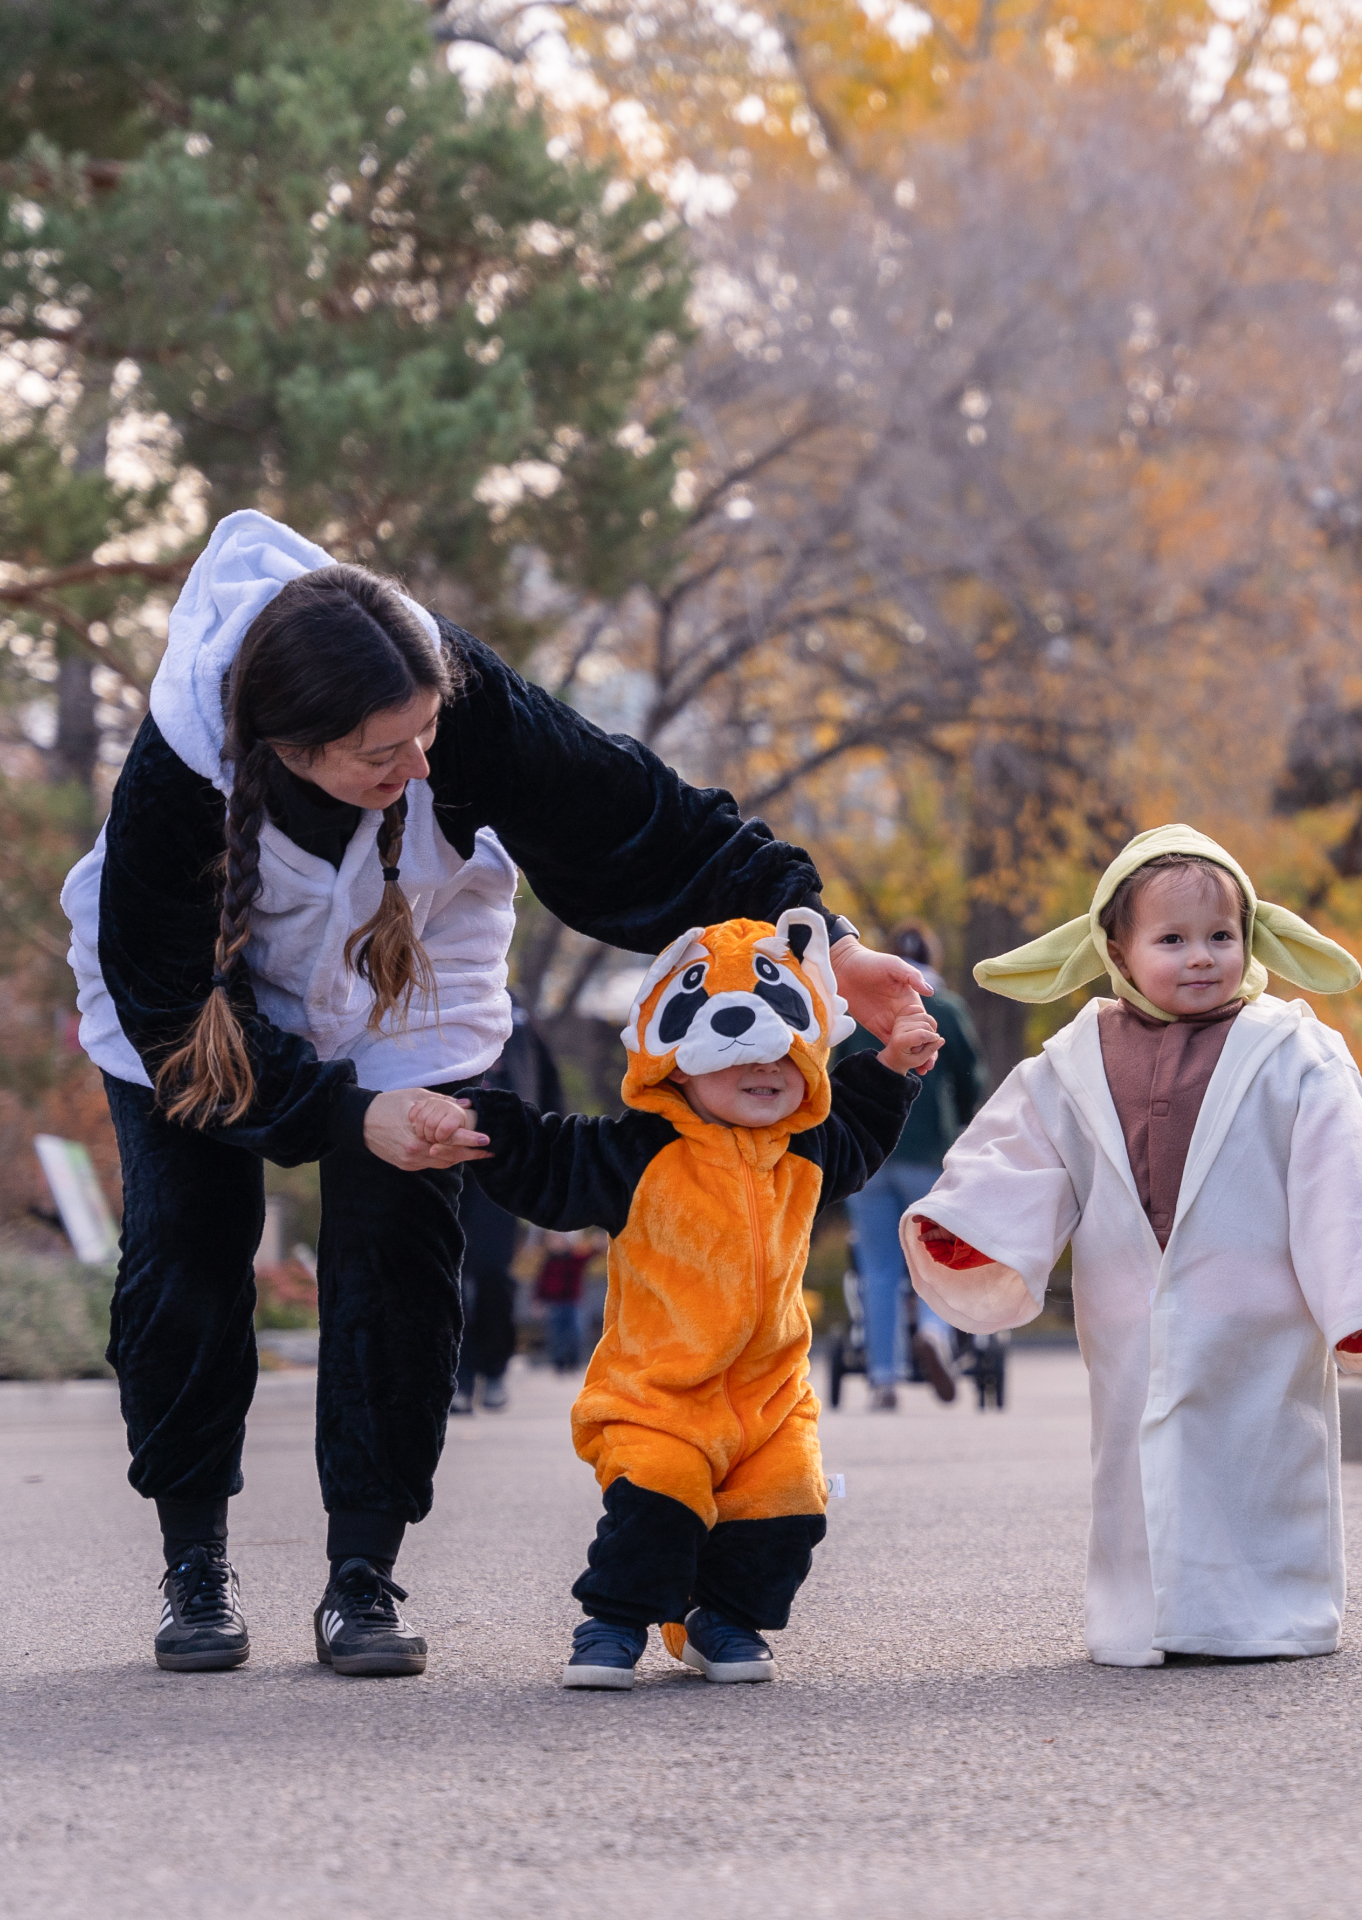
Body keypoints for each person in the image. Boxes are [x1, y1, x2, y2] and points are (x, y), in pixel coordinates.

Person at [61, 510, 931, 1679]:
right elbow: (169, 1002)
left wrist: (828, 942)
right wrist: (332, 1115)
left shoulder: (451, 694)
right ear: (292, 745)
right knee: (187, 1253)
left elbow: (643, 820)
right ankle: (194, 1564)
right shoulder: (179, 779)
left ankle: (361, 1576)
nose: (419, 766)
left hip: (403, 979)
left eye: (425, 737)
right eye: (384, 754)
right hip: (196, 1023)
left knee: (404, 1261)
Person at [894, 825, 1362, 1667]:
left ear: (1251, 939)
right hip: (1128, 1311)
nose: (1201, 958)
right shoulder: (1074, 1060)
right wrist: (969, 1228)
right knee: (1137, 1461)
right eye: (1172, 939)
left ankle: (1268, 1613)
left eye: (1222, 936)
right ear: (1115, 948)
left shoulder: (1294, 1052)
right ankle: (1143, 1615)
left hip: (1260, 1310)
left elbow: (1345, 1179)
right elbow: (1019, 1151)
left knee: (1261, 1459)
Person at [406, 909, 935, 1687]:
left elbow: (857, 1129)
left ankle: (719, 1618)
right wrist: (483, 1120)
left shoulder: (806, 1150)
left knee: (787, 1507)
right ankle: (613, 1622)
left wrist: (893, 1067)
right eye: (736, 1064)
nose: (764, 1076)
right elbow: (555, 1158)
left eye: (783, 1063)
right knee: (659, 1503)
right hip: (658, 1393)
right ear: (677, 1067)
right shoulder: (641, 1151)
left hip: (768, 1397)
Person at [835, 919, 985, 1409]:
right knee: (931, 1258)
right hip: (927, 1155)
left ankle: (882, 1376)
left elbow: (837, 1077)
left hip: (868, 1156)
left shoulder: (859, 1013)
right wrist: (960, 1124)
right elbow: (968, 1079)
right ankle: (935, 1337)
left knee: (878, 1268)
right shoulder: (946, 1008)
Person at [452, 997, 562, 1415]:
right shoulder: (433, 993)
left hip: (502, 1160)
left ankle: (494, 1367)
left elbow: (548, 1086)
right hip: (440, 1155)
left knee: (493, 1271)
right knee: (448, 1272)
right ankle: (456, 1378)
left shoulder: (518, 1009)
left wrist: (551, 1156)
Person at [533, 1230, 601, 1375]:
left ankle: (574, 1361)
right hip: (554, 1303)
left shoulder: (574, 1259)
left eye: (557, 1240)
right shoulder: (548, 1262)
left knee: (576, 1332)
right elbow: (541, 1284)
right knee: (556, 1334)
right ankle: (559, 1363)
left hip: (573, 1303)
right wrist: (538, 1301)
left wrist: (598, 1244)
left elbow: (590, 1255)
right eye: (552, 1241)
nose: (554, 1243)